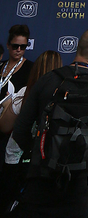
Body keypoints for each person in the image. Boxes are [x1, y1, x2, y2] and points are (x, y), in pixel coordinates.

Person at [12, 27, 88, 217]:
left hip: (40, 181)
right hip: (79, 187)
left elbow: (19, 130)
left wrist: (40, 156)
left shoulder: (48, 80)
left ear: (77, 48)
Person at [0, 48, 62, 212]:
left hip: (18, 161)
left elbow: (5, 126)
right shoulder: (63, 97)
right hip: (45, 163)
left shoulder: (25, 93)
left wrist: (7, 105)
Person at [0, 25, 33, 100]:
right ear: (8, 45)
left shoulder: (31, 68)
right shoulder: (1, 65)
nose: (19, 50)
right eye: (15, 46)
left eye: (23, 47)